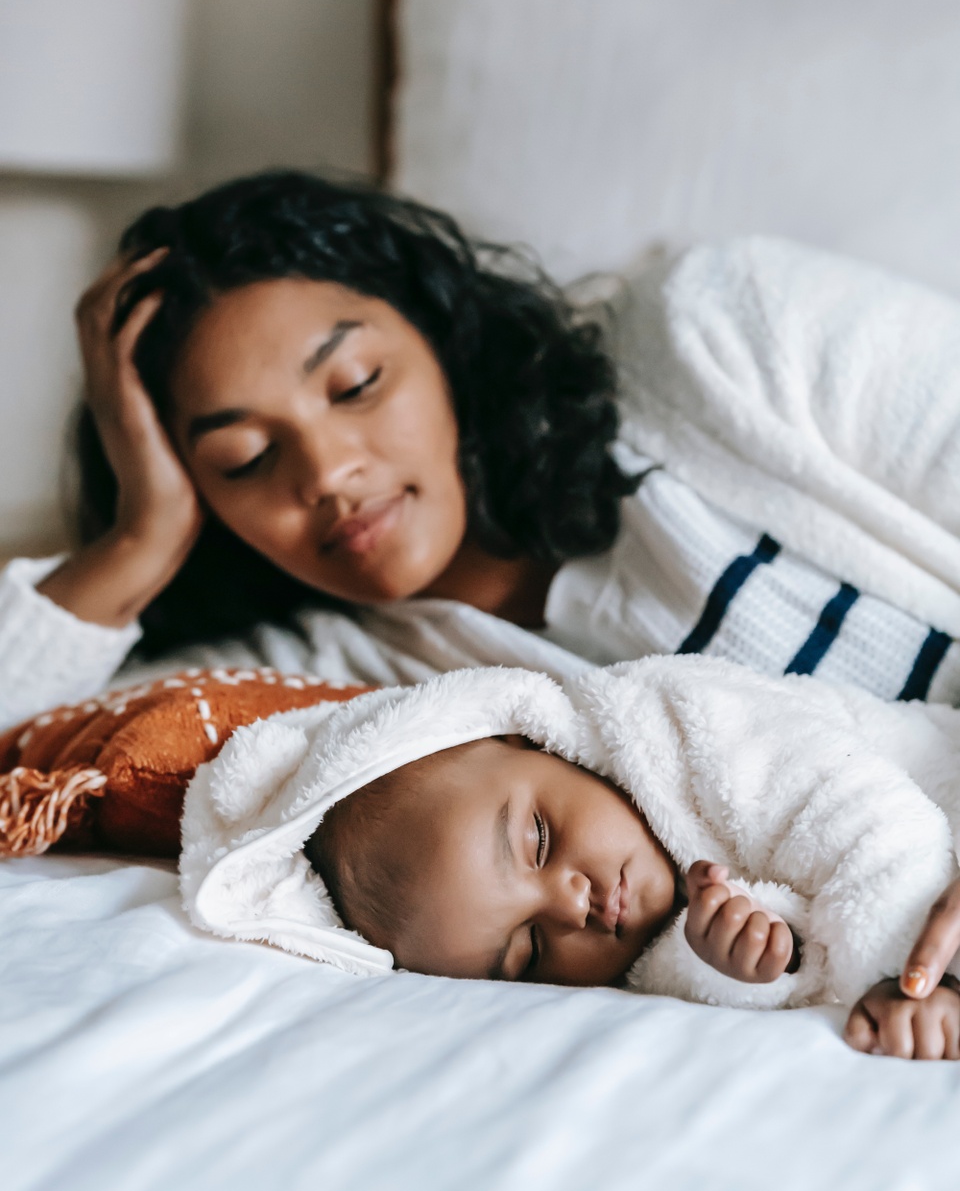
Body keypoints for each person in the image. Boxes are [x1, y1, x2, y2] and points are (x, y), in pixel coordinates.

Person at [3, 169, 960, 1014]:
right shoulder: (353, 702)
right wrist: (139, 539)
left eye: (357, 384)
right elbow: (23, 732)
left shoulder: (717, 331)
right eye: (245, 458)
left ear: (437, 327)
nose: (329, 472)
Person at [180, 659, 960, 1060]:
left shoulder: (682, 721)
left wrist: (902, 983)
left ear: (535, 740)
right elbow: (777, 963)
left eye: (540, 841)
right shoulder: (639, 957)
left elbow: (868, 820)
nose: (572, 907)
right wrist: (747, 964)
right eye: (527, 952)